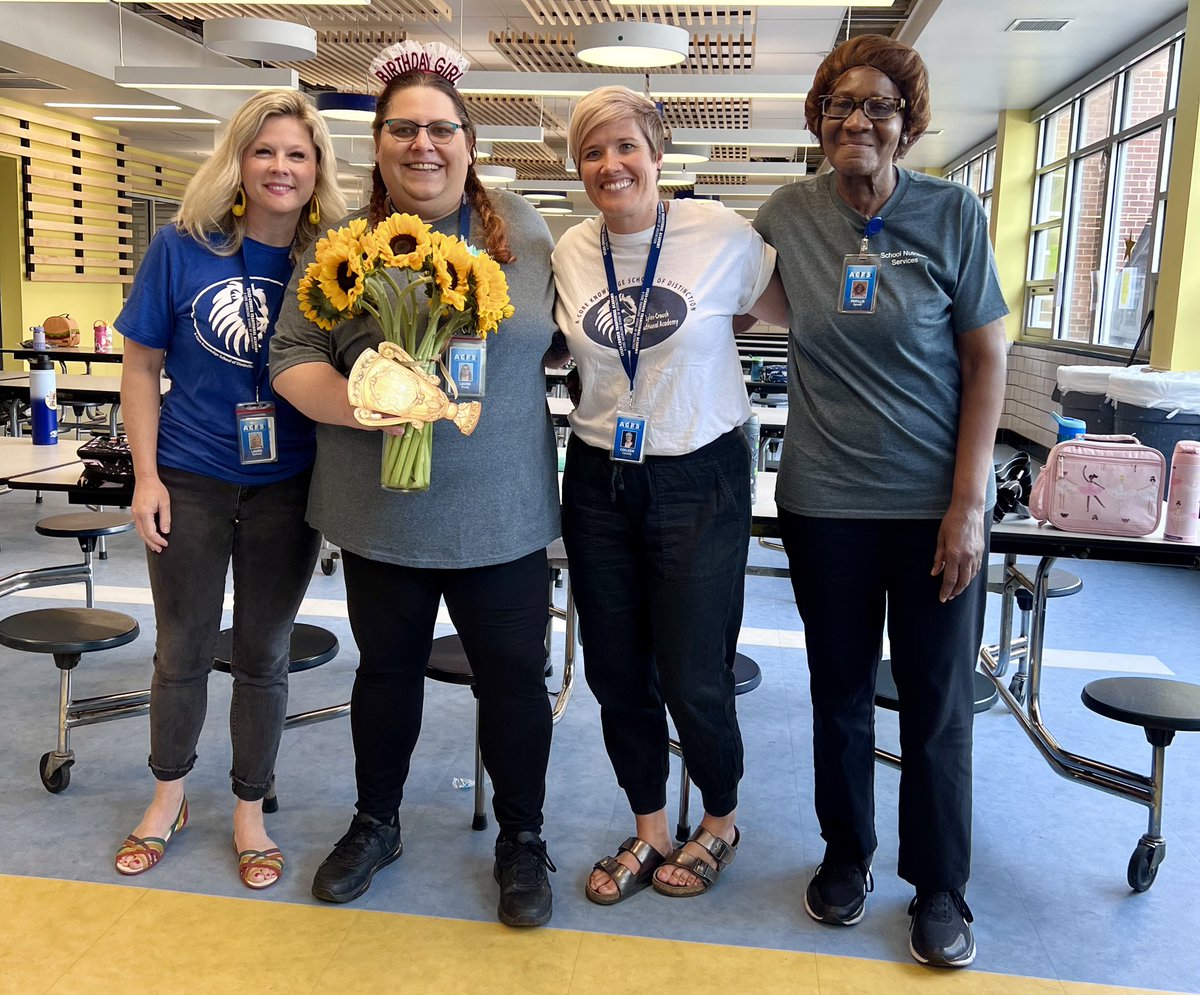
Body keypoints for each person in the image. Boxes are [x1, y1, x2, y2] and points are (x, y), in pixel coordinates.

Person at [270, 41, 561, 927]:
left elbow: (560, 341)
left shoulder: (524, 230)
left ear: (468, 142)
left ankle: (522, 837)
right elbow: (291, 357)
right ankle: (376, 820)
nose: (422, 145)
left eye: (441, 129)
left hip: (500, 512)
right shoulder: (338, 244)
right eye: (403, 129)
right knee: (386, 672)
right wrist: (375, 409)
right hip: (379, 509)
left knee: (513, 678)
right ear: (379, 143)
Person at [753, 36, 1008, 967]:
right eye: (839, 104)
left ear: (909, 122)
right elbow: (731, 299)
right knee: (840, 693)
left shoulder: (951, 213)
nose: (856, 121)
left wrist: (969, 501)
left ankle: (939, 886)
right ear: (818, 116)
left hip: (932, 506)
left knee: (937, 700)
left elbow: (987, 360)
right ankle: (847, 856)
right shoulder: (789, 213)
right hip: (825, 503)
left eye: (879, 107)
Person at [552, 85, 786, 905]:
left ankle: (719, 818)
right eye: (592, 151)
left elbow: (781, 309)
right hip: (596, 473)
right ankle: (651, 826)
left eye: (625, 147)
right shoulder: (571, 249)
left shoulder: (719, 233)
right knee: (617, 670)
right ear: (578, 166)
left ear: (658, 155)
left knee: (693, 671)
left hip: (699, 471)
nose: (610, 165)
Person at [113, 89, 346, 890]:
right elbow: (141, 366)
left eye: (298, 153)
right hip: (192, 474)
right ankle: (169, 795)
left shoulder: (334, 261)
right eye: (266, 151)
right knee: (181, 647)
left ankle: (249, 808)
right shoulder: (183, 248)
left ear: (318, 170)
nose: (281, 167)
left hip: (290, 483)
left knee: (264, 653)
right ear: (238, 162)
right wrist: (144, 475)